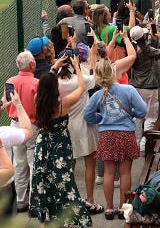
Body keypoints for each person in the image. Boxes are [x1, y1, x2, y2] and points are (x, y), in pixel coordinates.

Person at [30, 56, 93, 227]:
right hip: (60, 147)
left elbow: (45, 84)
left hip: (43, 146)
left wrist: (54, 68)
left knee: (45, 180)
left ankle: (47, 216)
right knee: (63, 182)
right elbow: (81, 87)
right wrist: (77, 68)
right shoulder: (62, 104)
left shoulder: (38, 100)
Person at [83, 58, 148, 221]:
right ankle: (122, 207)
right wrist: (132, 114)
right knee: (125, 172)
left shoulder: (98, 94)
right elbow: (143, 110)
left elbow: (87, 115)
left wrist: (101, 118)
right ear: (112, 72)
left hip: (107, 135)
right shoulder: (129, 89)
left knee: (108, 173)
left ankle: (110, 208)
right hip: (126, 134)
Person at [53, 47, 103, 215]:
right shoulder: (80, 81)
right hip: (84, 127)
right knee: (90, 163)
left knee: (68, 166)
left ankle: (68, 199)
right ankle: (90, 200)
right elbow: (98, 77)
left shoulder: (55, 82)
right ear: (74, 63)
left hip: (65, 128)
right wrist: (93, 57)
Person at [4, 51, 40, 214]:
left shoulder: (10, 82)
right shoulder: (36, 83)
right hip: (32, 126)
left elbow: (6, 103)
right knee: (33, 164)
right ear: (32, 65)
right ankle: (34, 201)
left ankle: (20, 201)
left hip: (14, 125)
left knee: (18, 164)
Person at [128, 25, 160, 153]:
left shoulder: (131, 49)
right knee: (150, 116)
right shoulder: (148, 50)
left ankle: (136, 143)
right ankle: (145, 143)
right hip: (150, 87)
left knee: (137, 117)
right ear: (143, 36)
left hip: (135, 87)